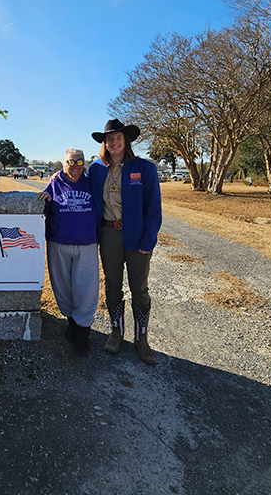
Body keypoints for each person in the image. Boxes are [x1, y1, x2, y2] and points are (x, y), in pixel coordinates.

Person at [89, 119, 162, 365]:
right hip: (108, 234)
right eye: (109, 139)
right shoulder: (97, 169)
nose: (114, 142)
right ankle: (116, 332)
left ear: (126, 140)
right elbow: (74, 179)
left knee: (139, 287)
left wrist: (149, 239)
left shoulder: (144, 168)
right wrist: (56, 178)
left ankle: (142, 339)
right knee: (112, 284)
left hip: (137, 235)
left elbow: (154, 208)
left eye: (118, 138)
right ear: (104, 143)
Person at [39, 149, 99, 356]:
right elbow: (43, 209)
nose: (74, 165)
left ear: (84, 163)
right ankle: (71, 323)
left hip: (87, 243)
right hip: (59, 243)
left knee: (86, 288)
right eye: (70, 161)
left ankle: (84, 333)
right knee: (62, 287)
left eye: (79, 161)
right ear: (63, 164)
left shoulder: (92, 182)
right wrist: (44, 199)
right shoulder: (54, 184)